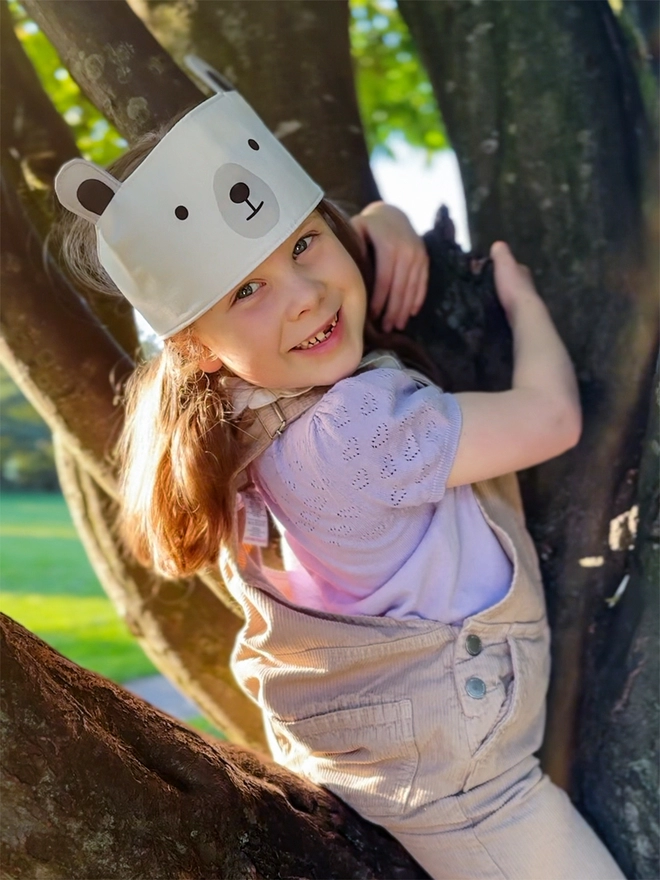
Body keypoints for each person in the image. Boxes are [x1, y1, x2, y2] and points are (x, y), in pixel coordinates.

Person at [54, 59, 624, 880]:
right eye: (247, 288)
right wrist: (526, 302)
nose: (306, 296)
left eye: (305, 244)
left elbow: (318, 262)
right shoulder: (352, 432)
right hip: (467, 788)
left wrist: (381, 224)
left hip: (378, 756)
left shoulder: (233, 420)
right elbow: (551, 419)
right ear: (196, 348)